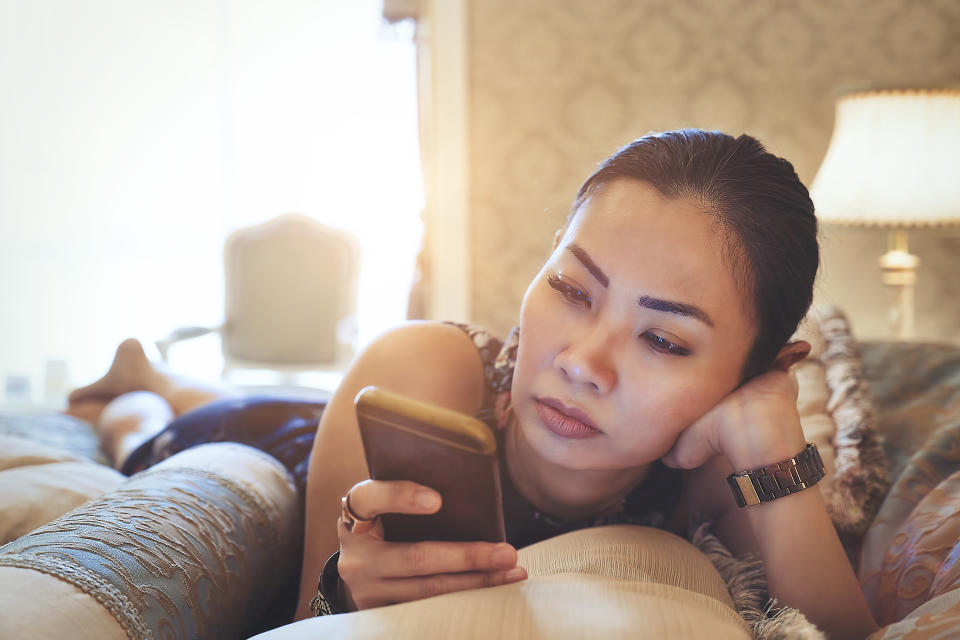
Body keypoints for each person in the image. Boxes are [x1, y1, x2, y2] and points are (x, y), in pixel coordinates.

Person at [68, 129, 879, 639]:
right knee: (141, 427)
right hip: (276, 436)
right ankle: (145, 383)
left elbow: (839, 633)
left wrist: (775, 439)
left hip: (321, 414)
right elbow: (304, 624)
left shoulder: (710, 468)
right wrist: (340, 593)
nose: (579, 362)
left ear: (753, 372)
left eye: (663, 338)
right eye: (571, 289)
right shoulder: (418, 370)